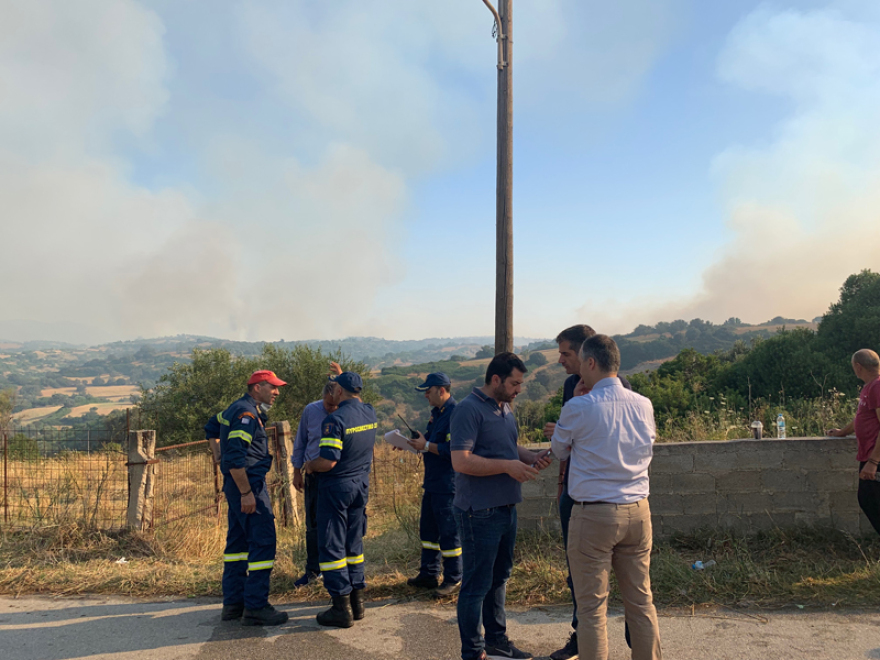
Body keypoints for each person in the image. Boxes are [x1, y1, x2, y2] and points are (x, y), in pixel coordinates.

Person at [551, 335, 662, 660]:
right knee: (641, 602)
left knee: (592, 610)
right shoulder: (644, 404)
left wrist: (572, 403)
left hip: (594, 515)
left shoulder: (578, 406)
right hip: (638, 512)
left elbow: (559, 449)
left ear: (590, 363)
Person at [450, 352, 553, 660]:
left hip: (506, 507)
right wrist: (509, 466)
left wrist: (529, 456)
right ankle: (473, 651)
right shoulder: (467, 410)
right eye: (514, 383)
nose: (518, 390)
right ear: (495, 379)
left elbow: (508, 447)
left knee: (499, 579)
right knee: (476, 584)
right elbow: (461, 461)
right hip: (478, 511)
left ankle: (496, 642)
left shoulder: (504, 407)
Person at [542, 324, 632, 660]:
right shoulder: (570, 385)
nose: (561, 360)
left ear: (586, 355)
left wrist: (565, 425)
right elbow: (572, 438)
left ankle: (628, 627)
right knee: (577, 571)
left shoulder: (619, 387)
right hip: (575, 491)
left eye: (565, 353)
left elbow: (599, 436)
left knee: (619, 572)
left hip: (602, 496)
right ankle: (581, 637)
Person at [217, 370, 290, 627]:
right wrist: (247, 493)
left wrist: (218, 456)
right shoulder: (246, 415)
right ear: (258, 387)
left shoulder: (234, 409)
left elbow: (210, 429)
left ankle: (234, 604)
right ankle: (256, 607)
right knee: (263, 542)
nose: (277, 392)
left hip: (237, 485)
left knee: (237, 546)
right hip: (248, 486)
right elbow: (235, 459)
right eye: (273, 387)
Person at [305, 371, 377, 628]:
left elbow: (328, 461)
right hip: (360, 486)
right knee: (353, 544)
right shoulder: (370, 412)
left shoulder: (334, 421)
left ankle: (340, 608)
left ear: (338, 392)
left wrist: (310, 466)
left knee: (333, 546)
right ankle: (358, 603)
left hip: (336, 488)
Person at [404, 372, 462, 597]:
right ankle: (428, 574)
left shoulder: (455, 414)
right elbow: (429, 441)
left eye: (428, 391)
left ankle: (453, 578)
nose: (425, 395)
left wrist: (426, 445)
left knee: (449, 533)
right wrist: (412, 444)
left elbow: (453, 450)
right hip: (433, 483)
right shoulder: (437, 413)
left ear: (442, 390)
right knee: (428, 532)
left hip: (447, 484)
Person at [291, 380, 340, 587]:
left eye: (335, 405)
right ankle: (312, 570)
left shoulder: (345, 413)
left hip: (338, 476)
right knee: (313, 525)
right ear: (323, 399)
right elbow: (301, 441)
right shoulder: (310, 411)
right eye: (328, 405)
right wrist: (297, 471)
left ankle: (336, 572)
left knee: (336, 524)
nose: (332, 409)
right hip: (313, 475)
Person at [827, 348, 880, 535]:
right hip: (869, 454)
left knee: (869, 499)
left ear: (858, 367)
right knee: (868, 499)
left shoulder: (877, 387)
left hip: (876, 457)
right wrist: (843, 432)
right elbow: (862, 417)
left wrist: (873, 462)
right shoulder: (871, 386)